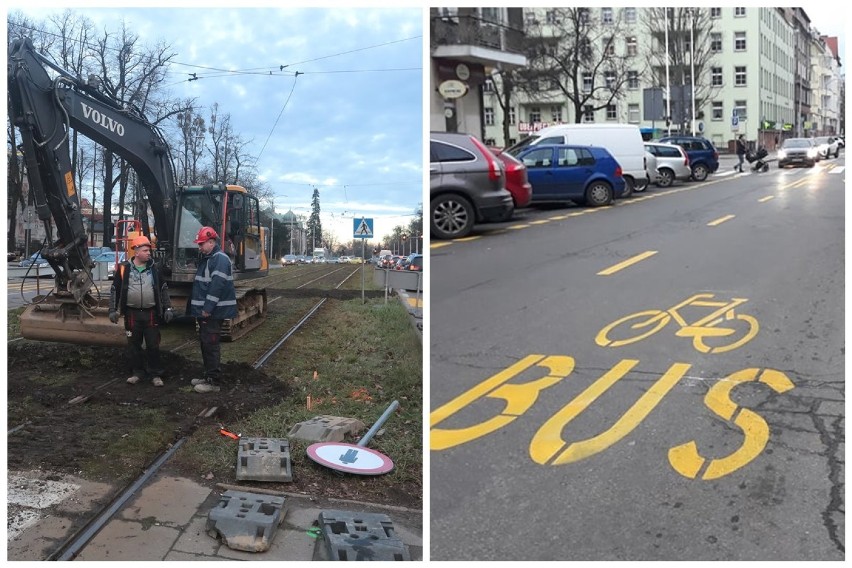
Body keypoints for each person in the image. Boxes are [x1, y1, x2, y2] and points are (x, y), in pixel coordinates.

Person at [109, 235, 174, 387]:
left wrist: (168, 308)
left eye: (148, 250)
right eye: (145, 250)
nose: (149, 253)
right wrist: (112, 310)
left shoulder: (155, 268)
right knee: (133, 345)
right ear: (136, 252)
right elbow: (114, 290)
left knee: (153, 345)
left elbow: (163, 289)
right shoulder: (124, 268)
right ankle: (137, 373)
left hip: (151, 313)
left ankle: (155, 374)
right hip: (132, 314)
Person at [188, 226, 237, 393]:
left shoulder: (219, 259)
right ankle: (208, 375)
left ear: (211, 242)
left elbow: (217, 286)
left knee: (211, 344)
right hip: (208, 312)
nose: (199, 247)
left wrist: (208, 308)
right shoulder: (209, 258)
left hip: (214, 312)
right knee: (205, 343)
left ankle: (213, 381)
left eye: (202, 244)